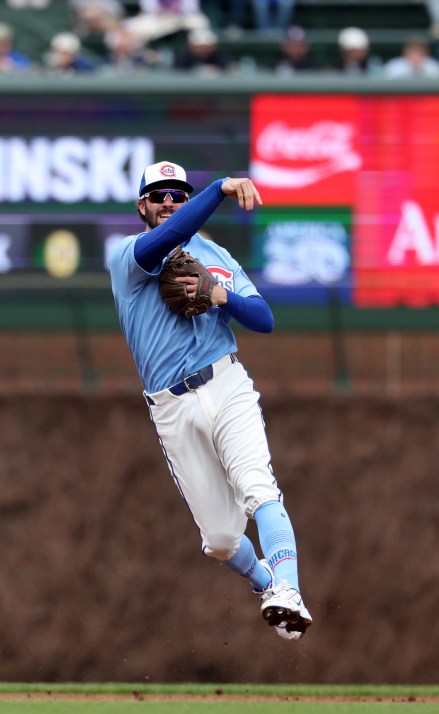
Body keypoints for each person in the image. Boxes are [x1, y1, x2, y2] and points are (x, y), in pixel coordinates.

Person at [108, 161, 312, 641]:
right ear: (142, 206)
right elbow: (171, 235)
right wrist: (219, 188)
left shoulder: (215, 254)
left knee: (258, 488)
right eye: (157, 194)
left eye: (178, 194)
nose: (169, 203)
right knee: (221, 541)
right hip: (171, 406)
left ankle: (289, 589)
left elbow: (263, 319)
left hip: (225, 382)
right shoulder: (128, 257)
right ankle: (268, 586)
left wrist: (221, 294)